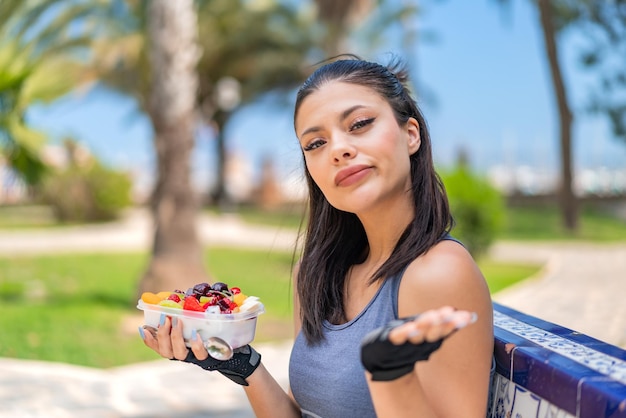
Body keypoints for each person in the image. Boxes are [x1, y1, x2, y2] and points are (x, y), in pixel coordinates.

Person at [140, 56, 494, 418]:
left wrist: (389, 376)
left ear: (411, 134)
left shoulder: (437, 274)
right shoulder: (316, 274)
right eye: (315, 144)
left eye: (359, 124)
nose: (338, 149)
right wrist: (241, 365)